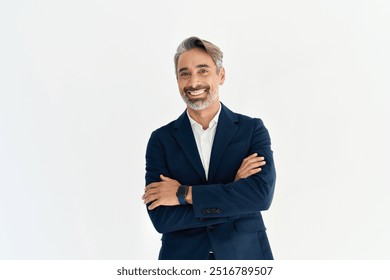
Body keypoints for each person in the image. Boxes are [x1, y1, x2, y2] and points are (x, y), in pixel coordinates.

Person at [142, 36, 276, 260]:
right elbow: (162, 218)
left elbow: (260, 197)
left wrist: (183, 193)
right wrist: (233, 190)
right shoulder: (161, 140)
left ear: (221, 76)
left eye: (203, 71)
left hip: (245, 258)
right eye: (184, 73)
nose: (193, 82)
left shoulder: (251, 130)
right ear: (177, 80)